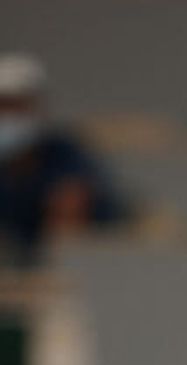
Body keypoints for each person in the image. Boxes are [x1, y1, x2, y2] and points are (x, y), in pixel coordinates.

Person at [0, 52, 125, 267]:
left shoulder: (65, 153)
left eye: (17, 105)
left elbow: (72, 210)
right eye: (3, 105)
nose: (8, 115)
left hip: (71, 275)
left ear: (37, 106)